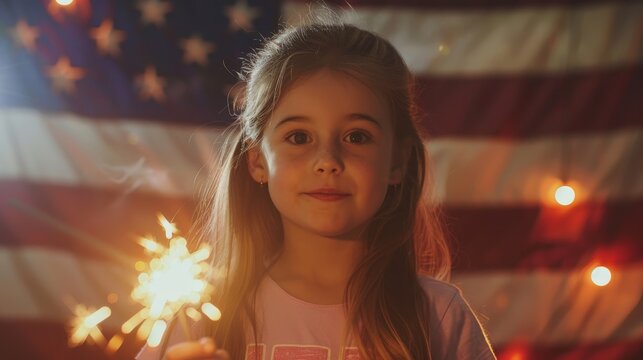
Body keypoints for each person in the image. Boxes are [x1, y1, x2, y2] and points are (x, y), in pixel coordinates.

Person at [138, 16, 496, 360]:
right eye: (298, 137)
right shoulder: (200, 321)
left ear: (397, 162)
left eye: (358, 136)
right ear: (257, 162)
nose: (328, 160)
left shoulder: (438, 316)